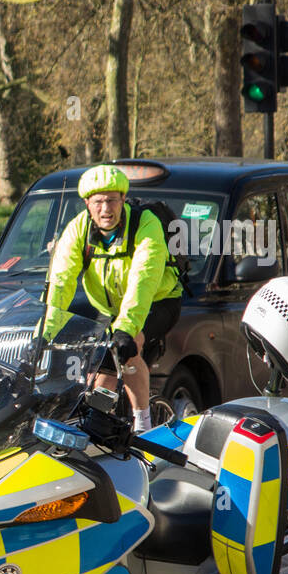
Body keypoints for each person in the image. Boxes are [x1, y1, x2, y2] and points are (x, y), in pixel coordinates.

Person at [44, 164, 183, 433]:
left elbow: (143, 281)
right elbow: (61, 282)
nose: (105, 209)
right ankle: (93, 422)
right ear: (86, 203)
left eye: (112, 200)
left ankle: (144, 425)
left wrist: (127, 330)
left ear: (123, 200)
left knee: (126, 351)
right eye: (98, 202)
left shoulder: (145, 224)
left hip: (158, 301)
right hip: (109, 307)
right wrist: (46, 332)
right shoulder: (77, 230)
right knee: (102, 366)